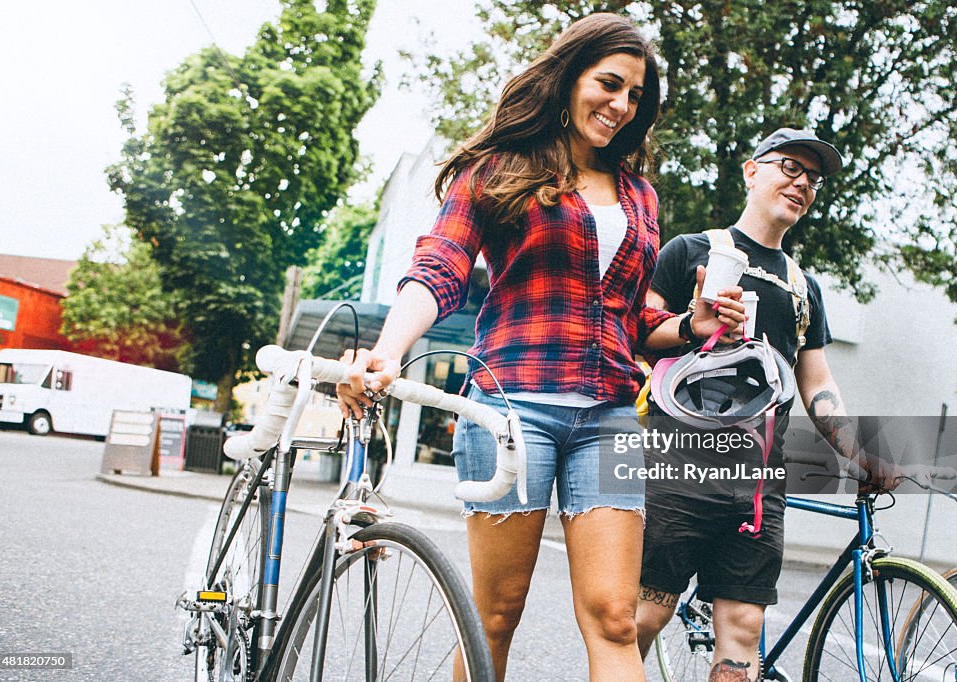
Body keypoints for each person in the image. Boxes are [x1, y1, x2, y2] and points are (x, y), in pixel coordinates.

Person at [336, 13, 744, 681]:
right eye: (609, 84)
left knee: (616, 616)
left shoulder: (639, 195)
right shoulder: (498, 167)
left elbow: (634, 318)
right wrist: (387, 348)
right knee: (496, 615)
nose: (620, 105)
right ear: (570, 76)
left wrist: (694, 325)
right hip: (510, 408)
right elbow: (440, 265)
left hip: (610, 416)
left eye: (635, 96)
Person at [634, 128, 894, 681]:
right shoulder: (690, 251)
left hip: (755, 487)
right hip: (677, 471)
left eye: (813, 178)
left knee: (742, 636)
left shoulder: (803, 287)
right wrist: (691, 325)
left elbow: (817, 383)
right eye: (790, 168)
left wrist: (857, 451)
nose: (802, 183)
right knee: (643, 617)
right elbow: (637, 329)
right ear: (752, 171)